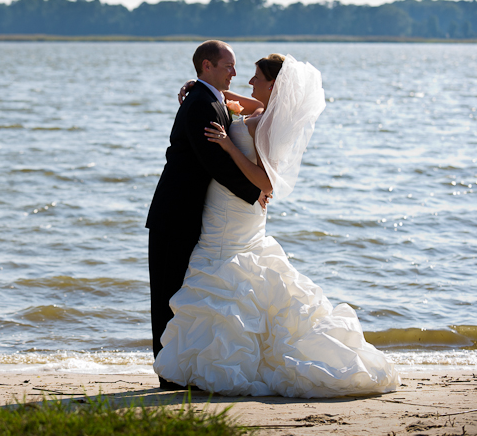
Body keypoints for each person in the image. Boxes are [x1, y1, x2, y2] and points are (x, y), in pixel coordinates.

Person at [153, 53, 400, 397]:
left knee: (227, 273)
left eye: (256, 77)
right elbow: (250, 102)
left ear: (274, 84)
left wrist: (228, 144)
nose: (248, 82)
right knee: (236, 276)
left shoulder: (265, 123)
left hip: (236, 209)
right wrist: (202, 87)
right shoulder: (267, 114)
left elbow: (265, 183)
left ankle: (210, 360)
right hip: (236, 211)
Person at [145, 40, 268, 390]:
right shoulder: (201, 102)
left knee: (182, 294)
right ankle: (168, 375)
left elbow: (256, 110)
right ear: (207, 66)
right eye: (228, 65)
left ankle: (178, 367)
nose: (235, 72)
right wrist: (254, 192)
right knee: (168, 296)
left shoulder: (208, 97)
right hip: (175, 214)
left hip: (190, 214)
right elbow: (212, 161)